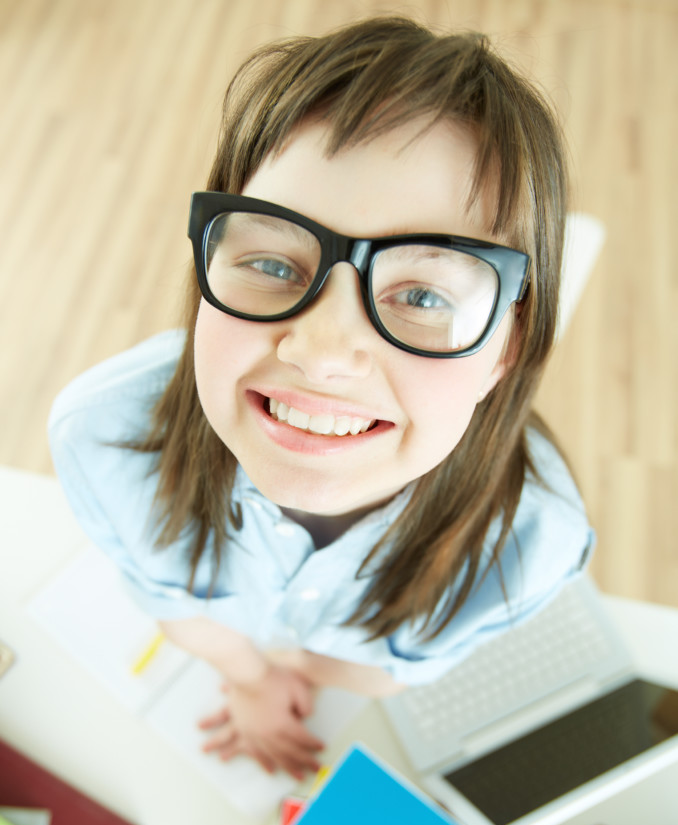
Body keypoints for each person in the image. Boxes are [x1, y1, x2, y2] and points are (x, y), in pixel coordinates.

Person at [49, 16, 594, 781]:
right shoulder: (101, 438)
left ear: (504, 347)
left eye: (425, 296)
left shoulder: (531, 547)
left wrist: (296, 673)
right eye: (273, 261)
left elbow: (389, 669)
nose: (322, 353)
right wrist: (252, 677)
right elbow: (169, 603)